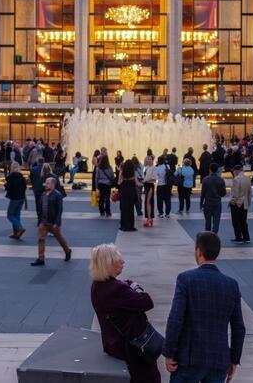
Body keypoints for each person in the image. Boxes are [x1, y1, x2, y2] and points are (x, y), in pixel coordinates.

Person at [162, 231, 244, 383]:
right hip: (218, 359)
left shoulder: (186, 279)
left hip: (189, 359)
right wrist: (233, 359)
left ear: (198, 251)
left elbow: (175, 319)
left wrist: (169, 352)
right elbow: (239, 327)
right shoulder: (231, 285)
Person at [89, 244, 160, 383]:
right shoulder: (117, 290)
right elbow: (147, 301)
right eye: (119, 260)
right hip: (132, 349)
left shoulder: (97, 285)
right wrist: (135, 286)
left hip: (113, 343)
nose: (123, 262)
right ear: (109, 264)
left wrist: (126, 284)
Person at [32, 177, 71, 267]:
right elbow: (40, 208)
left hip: (53, 222)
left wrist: (57, 223)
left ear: (53, 184)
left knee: (59, 239)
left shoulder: (57, 195)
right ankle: (41, 258)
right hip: (44, 221)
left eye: (48, 183)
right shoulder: (43, 194)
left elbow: (59, 210)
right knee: (41, 239)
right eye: (46, 183)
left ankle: (67, 251)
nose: (46, 185)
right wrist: (39, 220)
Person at [200, 164, 226, 234]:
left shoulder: (205, 179)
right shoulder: (221, 180)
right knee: (216, 221)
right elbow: (223, 193)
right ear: (217, 170)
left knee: (208, 221)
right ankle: (214, 234)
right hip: (217, 202)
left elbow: (203, 193)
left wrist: (201, 203)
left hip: (208, 203)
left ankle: (208, 236)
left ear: (210, 169)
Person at [229, 164, 251, 244]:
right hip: (245, 202)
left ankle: (238, 237)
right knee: (243, 221)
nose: (233, 172)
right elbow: (249, 193)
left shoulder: (236, 179)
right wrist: (248, 202)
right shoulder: (247, 179)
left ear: (237, 170)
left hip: (237, 203)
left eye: (234, 171)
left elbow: (235, 194)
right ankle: (246, 237)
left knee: (236, 221)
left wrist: (232, 202)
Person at [5, 163, 28, 239]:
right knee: (17, 215)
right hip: (21, 198)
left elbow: (9, 187)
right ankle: (16, 233)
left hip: (14, 198)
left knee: (10, 215)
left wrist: (6, 185)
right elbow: (25, 187)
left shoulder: (11, 177)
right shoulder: (22, 177)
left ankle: (19, 228)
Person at [117, 159, 139, 233]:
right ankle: (130, 226)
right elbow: (136, 183)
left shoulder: (122, 172)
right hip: (131, 190)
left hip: (124, 190)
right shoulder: (134, 172)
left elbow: (119, 183)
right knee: (131, 208)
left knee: (124, 208)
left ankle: (124, 225)